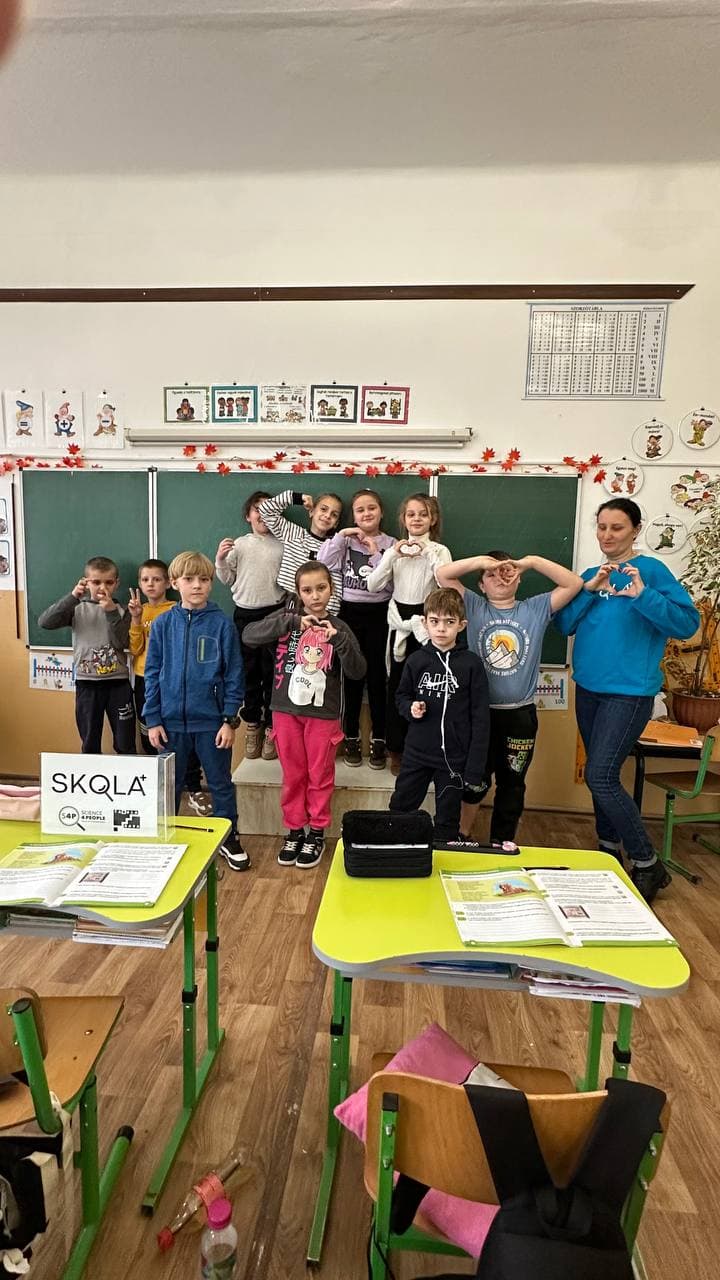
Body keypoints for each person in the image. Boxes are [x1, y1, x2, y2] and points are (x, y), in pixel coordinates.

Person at [554, 498, 699, 903]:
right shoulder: (590, 574)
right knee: (602, 778)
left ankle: (648, 863)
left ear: (635, 530)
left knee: (600, 775)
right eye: (601, 527)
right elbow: (563, 624)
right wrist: (589, 589)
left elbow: (688, 624)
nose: (606, 535)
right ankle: (607, 852)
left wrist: (642, 595)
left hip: (630, 693)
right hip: (590, 689)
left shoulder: (651, 571)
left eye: (616, 528)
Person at [436, 549, 583, 846]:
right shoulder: (475, 607)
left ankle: (503, 840)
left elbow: (573, 584)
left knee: (512, 783)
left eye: (507, 573)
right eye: (491, 575)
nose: (499, 578)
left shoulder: (535, 608)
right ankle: (461, 835)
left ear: (518, 579)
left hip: (519, 716)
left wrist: (529, 562)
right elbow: (442, 575)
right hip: (478, 715)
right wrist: (482, 562)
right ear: (481, 585)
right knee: (474, 779)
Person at [243, 561, 366, 869]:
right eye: (307, 590)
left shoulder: (340, 627)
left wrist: (338, 639)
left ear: (332, 589)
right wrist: (291, 622)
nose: (315, 596)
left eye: (321, 588)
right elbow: (249, 635)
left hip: (323, 716)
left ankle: (316, 833)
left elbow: (357, 671)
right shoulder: (287, 620)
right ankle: (295, 830)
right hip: (285, 712)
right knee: (294, 775)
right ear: (297, 593)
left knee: (319, 775)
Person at [142, 551, 249, 872]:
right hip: (170, 724)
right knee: (169, 785)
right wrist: (153, 719)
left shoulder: (222, 625)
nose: (197, 585)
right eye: (189, 579)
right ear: (174, 583)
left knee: (219, 783)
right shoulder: (162, 625)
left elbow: (233, 675)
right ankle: (165, 838)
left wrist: (229, 720)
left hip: (211, 723)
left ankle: (228, 836)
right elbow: (152, 672)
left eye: (204, 579)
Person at [390, 588, 490, 842]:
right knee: (401, 808)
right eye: (434, 621)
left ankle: (443, 860)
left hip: (454, 760)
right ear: (425, 623)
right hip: (417, 754)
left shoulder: (471, 665)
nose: (441, 629)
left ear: (461, 625)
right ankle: (398, 855)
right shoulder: (416, 661)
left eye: (449, 622)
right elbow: (401, 697)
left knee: (447, 819)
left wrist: (474, 768)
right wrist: (410, 708)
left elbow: (481, 719)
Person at [364, 493, 451, 772]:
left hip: (427, 626)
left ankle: (422, 749)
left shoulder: (439, 551)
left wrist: (429, 555)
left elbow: (445, 584)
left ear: (432, 519)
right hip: (399, 624)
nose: (416, 519)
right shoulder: (395, 551)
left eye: (423, 514)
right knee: (398, 688)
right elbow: (372, 585)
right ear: (403, 519)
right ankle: (396, 748)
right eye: (411, 514)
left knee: (426, 687)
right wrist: (391, 554)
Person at [317, 488, 396, 768]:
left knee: (377, 678)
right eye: (360, 510)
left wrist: (376, 554)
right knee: (350, 676)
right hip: (348, 613)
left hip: (380, 614)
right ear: (354, 515)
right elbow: (323, 563)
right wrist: (341, 535)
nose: (366, 513)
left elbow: (388, 583)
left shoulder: (392, 544)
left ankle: (379, 738)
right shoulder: (345, 542)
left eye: (371, 508)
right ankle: (350, 735)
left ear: (381, 512)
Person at [127, 558, 207, 811]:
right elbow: (135, 648)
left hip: (174, 683)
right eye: (145, 580)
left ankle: (192, 787)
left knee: (183, 735)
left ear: (168, 582)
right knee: (151, 733)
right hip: (144, 680)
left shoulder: (176, 609)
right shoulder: (137, 611)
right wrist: (136, 620)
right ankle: (157, 787)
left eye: (156, 579)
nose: (150, 584)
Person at [39, 556, 135, 754]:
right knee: (89, 739)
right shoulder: (76, 609)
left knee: (125, 740)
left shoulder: (123, 611)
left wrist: (111, 613)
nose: (102, 587)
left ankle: (126, 780)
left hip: (118, 683)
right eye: (96, 582)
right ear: (85, 582)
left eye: (108, 582)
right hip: (87, 684)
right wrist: (73, 596)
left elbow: (122, 642)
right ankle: (93, 778)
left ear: (116, 584)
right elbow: (45, 622)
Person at [215, 490, 285, 761]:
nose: (263, 513)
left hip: (274, 615)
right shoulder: (240, 545)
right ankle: (253, 723)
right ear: (248, 516)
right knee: (248, 673)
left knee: (273, 674)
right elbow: (226, 579)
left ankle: (271, 727)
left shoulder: (282, 545)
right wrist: (220, 559)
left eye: (269, 509)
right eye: (257, 509)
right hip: (244, 615)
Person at [258, 489, 343, 613]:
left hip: (320, 609)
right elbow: (265, 510)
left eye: (334, 514)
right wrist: (297, 498)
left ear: (336, 524)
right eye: (323, 509)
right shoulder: (293, 534)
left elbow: (335, 585)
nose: (327, 516)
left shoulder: (335, 546)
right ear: (312, 511)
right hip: (289, 604)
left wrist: (328, 612)